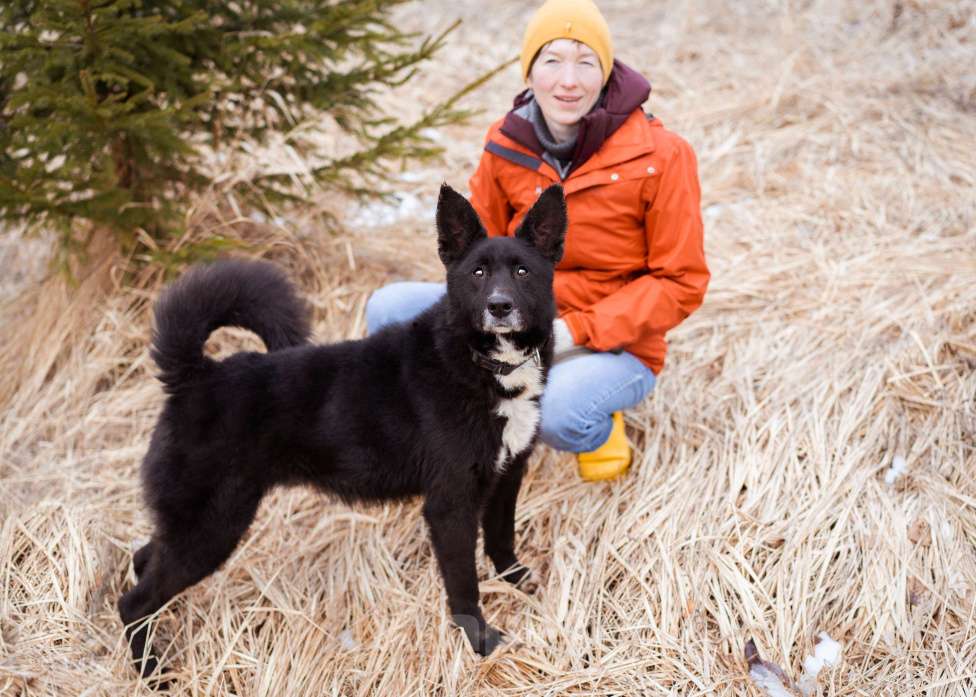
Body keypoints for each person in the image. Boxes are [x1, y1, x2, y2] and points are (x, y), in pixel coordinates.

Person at [366, 0, 709, 481]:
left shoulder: (662, 156)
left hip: (611, 341)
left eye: (585, 62)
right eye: (552, 61)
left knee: (558, 414)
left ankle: (598, 429)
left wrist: (575, 331)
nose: (568, 80)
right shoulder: (507, 143)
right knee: (388, 310)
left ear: (606, 72)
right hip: (516, 314)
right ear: (529, 71)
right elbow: (474, 254)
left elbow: (680, 282)